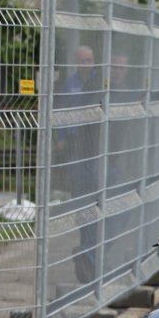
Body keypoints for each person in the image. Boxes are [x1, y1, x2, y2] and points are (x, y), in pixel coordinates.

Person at [56, 44, 102, 283]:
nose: (85, 64)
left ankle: (88, 251)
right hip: (75, 147)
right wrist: (61, 137)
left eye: (89, 60)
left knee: (94, 200)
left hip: (93, 148)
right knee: (81, 200)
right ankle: (85, 246)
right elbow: (63, 111)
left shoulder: (98, 82)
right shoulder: (70, 83)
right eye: (81, 60)